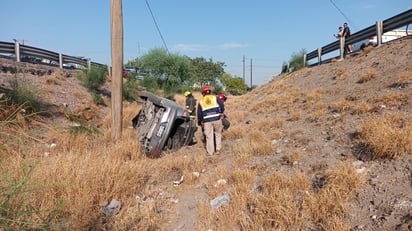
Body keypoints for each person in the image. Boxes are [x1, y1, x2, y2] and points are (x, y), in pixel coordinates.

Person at [197, 86, 224, 156]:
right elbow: (221, 104)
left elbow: (199, 114)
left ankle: (210, 152)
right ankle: (218, 149)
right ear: (210, 92)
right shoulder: (215, 98)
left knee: (209, 137)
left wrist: (200, 121)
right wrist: (221, 112)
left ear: (203, 93)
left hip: (207, 121)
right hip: (217, 119)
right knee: (218, 134)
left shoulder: (201, 102)